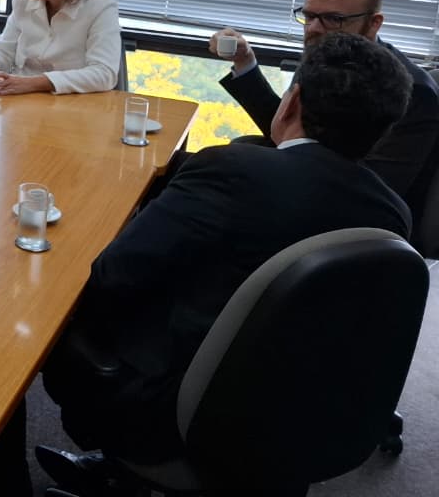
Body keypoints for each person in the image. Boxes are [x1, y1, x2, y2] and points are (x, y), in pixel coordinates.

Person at [34, 33, 413, 492]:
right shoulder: (392, 213)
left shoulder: (232, 170)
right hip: (307, 410)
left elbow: (113, 276)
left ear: (291, 103)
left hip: (178, 409)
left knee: (45, 313)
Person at [211, 0, 439, 205]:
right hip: (303, 180)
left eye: (333, 19)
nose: (313, 29)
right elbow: (285, 129)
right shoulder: (325, 53)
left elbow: (372, 190)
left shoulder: (413, 91)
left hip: (346, 211)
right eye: (309, 16)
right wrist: (245, 63)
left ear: (374, 23)